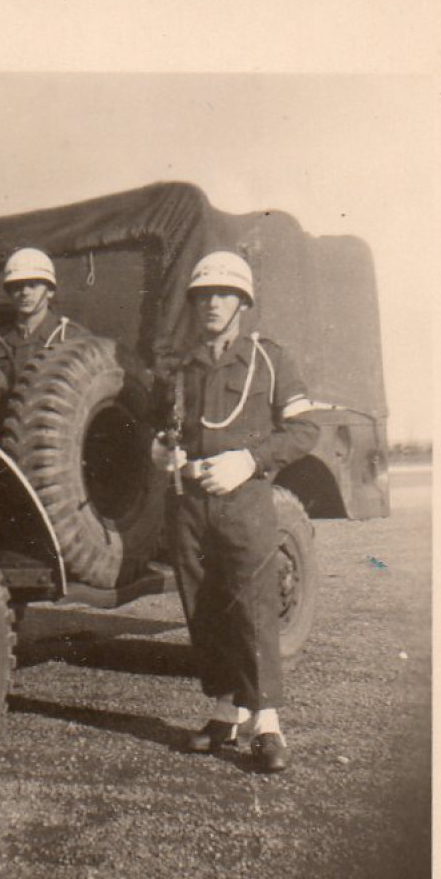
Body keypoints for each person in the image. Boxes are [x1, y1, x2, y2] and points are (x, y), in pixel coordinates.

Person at [152, 251, 320, 773]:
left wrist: (249, 460)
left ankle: (266, 721)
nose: (211, 303)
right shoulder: (180, 367)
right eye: (203, 295)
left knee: (251, 605)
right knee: (202, 604)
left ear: (242, 302)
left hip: (243, 499)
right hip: (190, 501)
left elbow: (303, 430)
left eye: (223, 294)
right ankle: (226, 708)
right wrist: (162, 452)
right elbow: (165, 429)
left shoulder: (269, 360)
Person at [1, 247, 84, 374]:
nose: (25, 292)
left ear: (50, 291)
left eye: (33, 285)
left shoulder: (70, 337)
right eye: (17, 286)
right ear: (9, 293)